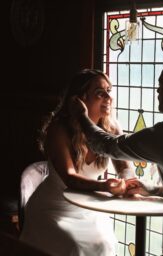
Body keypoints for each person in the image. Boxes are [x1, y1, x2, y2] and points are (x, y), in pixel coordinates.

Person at [20, 69, 138, 256]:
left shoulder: (111, 127)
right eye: (100, 92)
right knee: (74, 247)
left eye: (109, 90)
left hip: (88, 208)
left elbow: (125, 166)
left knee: (105, 243)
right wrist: (105, 186)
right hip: (54, 209)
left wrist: (128, 181)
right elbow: (69, 177)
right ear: (79, 100)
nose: (109, 97)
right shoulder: (59, 129)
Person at [70, 57, 163, 247]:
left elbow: (105, 145)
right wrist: (151, 189)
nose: (157, 91)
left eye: (160, 85)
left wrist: (81, 115)